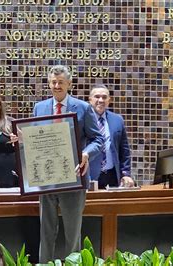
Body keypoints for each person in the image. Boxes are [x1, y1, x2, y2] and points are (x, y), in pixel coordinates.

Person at [33, 65, 104, 262]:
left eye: (61, 82)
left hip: (74, 178)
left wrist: (86, 154)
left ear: (69, 84)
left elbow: (98, 140)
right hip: (47, 180)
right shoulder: (39, 108)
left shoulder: (82, 107)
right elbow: (34, 139)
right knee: (46, 233)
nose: (57, 86)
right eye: (53, 82)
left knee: (73, 234)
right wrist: (22, 140)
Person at [88, 84, 134, 189]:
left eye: (104, 97)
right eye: (97, 96)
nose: (101, 100)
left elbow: (124, 150)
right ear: (90, 99)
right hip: (90, 175)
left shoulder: (117, 120)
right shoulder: (83, 119)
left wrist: (126, 173)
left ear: (109, 100)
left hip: (112, 174)